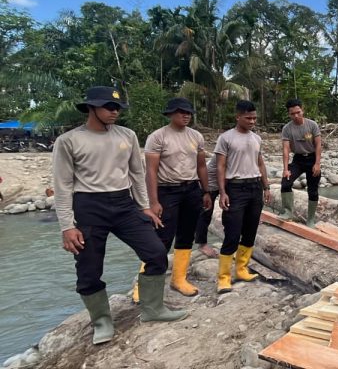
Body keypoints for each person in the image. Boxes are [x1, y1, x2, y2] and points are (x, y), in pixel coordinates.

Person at [53, 86, 187, 345]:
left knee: (156, 253)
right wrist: (67, 226)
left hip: (124, 203)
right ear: (91, 107)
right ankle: (102, 322)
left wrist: (145, 206)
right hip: (89, 205)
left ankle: (152, 309)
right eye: (108, 107)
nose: (114, 111)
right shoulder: (69, 140)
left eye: (117, 107)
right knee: (89, 270)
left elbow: (136, 174)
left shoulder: (127, 135)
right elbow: (63, 185)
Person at [139, 97, 212, 301]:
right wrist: (153, 202)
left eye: (188, 112)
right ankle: (143, 283)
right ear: (170, 114)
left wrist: (206, 191)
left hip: (191, 189)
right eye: (181, 112)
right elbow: (151, 172)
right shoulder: (158, 137)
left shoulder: (196, 136)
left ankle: (178, 279)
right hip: (166, 191)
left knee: (186, 235)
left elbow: (201, 166)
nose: (186, 115)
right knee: (160, 239)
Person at [214, 100, 271, 294]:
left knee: (250, 231)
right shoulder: (226, 138)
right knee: (232, 232)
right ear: (238, 117)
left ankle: (241, 269)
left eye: (254, 117)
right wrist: (223, 192)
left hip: (254, 187)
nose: (252, 121)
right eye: (248, 118)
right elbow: (220, 166)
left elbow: (260, 163)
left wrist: (266, 187)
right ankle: (223, 277)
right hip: (235, 188)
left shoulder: (256, 138)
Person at [279, 98, 322, 227]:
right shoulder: (287, 128)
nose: (296, 116)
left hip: (312, 158)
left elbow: (318, 144)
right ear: (289, 114)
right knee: (286, 182)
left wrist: (317, 163)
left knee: (313, 191)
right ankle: (288, 212)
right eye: (292, 113)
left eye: (298, 112)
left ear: (302, 110)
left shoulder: (312, 125)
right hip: (298, 160)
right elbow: (286, 149)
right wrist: (285, 169)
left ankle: (310, 219)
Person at [195, 155, 221, 258]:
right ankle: (202, 244)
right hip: (210, 184)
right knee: (205, 214)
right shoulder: (227, 145)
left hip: (224, 182)